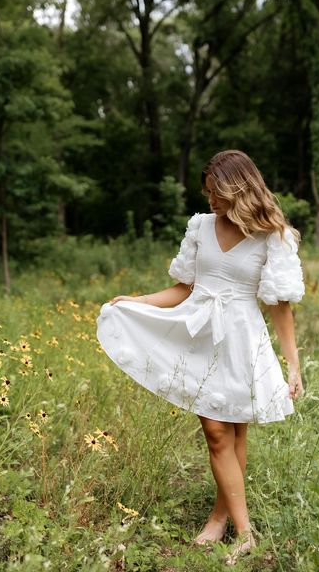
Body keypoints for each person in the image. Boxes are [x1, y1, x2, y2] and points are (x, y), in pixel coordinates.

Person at [96, 149, 305, 566]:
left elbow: (280, 306)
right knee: (216, 430)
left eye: (215, 192)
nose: (210, 200)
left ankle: (223, 520)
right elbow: (184, 288)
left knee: (234, 433)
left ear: (237, 189)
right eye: (207, 192)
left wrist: (293, 366)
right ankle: (240, 530)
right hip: (200, 334)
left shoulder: (274, 237)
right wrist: (137, 301)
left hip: (242, 340)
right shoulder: (200, 226)